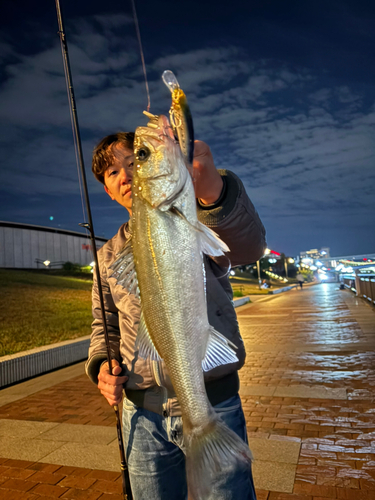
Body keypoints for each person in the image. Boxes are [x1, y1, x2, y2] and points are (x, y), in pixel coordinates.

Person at [85, 130, 266, 500]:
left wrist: (214, 191)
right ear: (107, 190)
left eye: (135, 161)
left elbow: (249, 246)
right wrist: (101, 365)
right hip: (140, 413)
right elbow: (103, 325)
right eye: (112, 173)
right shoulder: (107, 257)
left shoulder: (192, 218)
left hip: (212, 402)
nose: (126, 175)